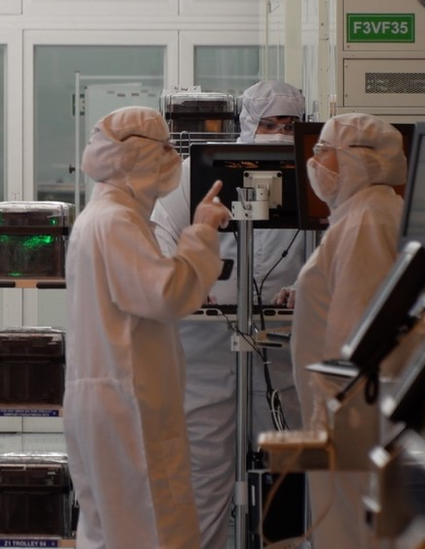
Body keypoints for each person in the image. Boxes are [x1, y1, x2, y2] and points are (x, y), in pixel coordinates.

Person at [64, 105, 231, 548]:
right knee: (154, 527)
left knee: (111, 531)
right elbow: (165, 294)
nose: (172, 158)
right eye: (165, 149)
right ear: (136, 157)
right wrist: (202, 232)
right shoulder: (116, 221)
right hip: (128, 404)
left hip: (109, 396)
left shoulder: (102, 217)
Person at [150, 80, 307, 549]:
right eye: (270, 124)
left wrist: (307, 286)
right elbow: (161, 235)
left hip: (280, 349)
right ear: (247, 125)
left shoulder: (314, 175)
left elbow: (330, 245)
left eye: (290, 125)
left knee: (288, 470)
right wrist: (184, 283)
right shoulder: (197, 174)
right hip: (206, 347)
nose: (279, 134)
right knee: (204, 472)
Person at [290, 112, 406, 548]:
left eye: (325, 151)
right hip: (347, 414)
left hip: (348, 418)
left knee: (348, 529)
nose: (315, 161)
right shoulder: (361, 215)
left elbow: (354, 334)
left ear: (357, 161)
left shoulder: (366, 223)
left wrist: (329, 415)